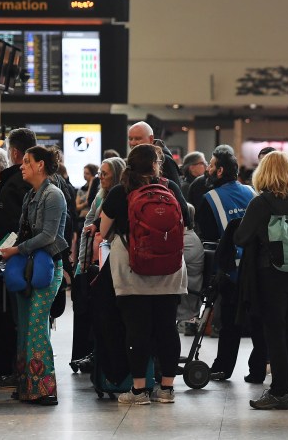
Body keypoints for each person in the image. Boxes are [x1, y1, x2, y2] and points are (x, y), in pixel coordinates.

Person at [99, 143, 190, 405]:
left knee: (136, 329)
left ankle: (139, 391)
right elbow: (188, 220)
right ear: (157, 165)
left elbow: (104, 231)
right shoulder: (170, 189)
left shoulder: (120, 192)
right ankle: (167, 389)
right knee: (167, 328)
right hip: (170, 269)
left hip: (132, 268)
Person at [234, 151, 288, 410]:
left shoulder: (261, 203)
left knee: (274, 333)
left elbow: (241, 237)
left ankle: (278, 391)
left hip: (271, 273)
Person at [0, 146, 68, 406]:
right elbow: (25, 231)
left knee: (37, 326)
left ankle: (43, 388)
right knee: (25, 326)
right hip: (30, 265)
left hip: (47, 267)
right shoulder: (31, 196)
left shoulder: (53, 195)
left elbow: (49, 236)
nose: (22, 166)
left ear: (40, 165)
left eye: (27, 161)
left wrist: (15, 249)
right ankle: (27, 386)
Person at [195, 145, 267, 384]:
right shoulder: (251, 192)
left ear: (220, 170)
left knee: (229, 323)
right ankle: (257, 370)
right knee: (258, 320)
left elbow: (208, 238)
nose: (208, 168)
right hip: (256, 267)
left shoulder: (209, 199)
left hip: (230, 269)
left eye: (212, 165)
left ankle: (222, 368)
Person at [0, 128, 35, 389]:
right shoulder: (50, 183)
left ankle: (25, 373)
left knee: (21, 319)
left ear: (15, 153)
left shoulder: (15, 184)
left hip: (19, 260)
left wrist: (6, 250)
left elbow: (13, 226)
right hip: (32, 260)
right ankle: (29, 372)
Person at [71, 156, 126, 369]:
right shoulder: (100, 195)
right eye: (99, 173)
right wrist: (81, 262)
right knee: (88, 309)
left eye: (105, 173)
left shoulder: (118, 196)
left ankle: (98, 357)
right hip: (92, 259)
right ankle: (88, 354)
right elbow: (88, 226)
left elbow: (102, 229)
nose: (100, 177)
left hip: (109, 260)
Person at [126, 121, 182, 186]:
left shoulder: (165, 160)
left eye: (138, 139)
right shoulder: (132, 159)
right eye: (130, 139)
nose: (133, 143)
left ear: (151, 139)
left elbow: (175, 190)